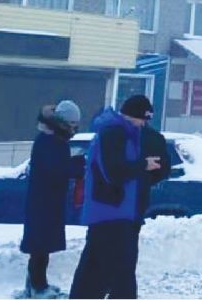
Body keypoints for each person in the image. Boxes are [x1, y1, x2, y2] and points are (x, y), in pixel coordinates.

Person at [69, 96, 161, 299]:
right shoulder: (114, 133)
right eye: (143, 119)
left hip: (114, 213)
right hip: (112, 213)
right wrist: (143, 165)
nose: (144, 124)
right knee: (114, 274)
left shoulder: (120, 132)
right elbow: (114, 172)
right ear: (133, 115)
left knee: (101, 272)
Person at [19, 101, 85, 299]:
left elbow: (55, 166)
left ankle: (36, 285)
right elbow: (55, 169)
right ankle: (38, 287)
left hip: (46, 201)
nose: (75, 128)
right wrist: (78, 166)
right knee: (40, 247)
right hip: (44, 203)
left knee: (41, 248)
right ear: (64, 122)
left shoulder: (51, 139)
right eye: (73, 123)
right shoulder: (50, 141)